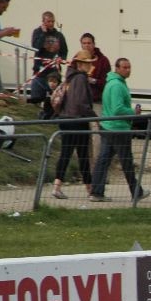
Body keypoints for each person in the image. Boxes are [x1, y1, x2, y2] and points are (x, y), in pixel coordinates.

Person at [89, 57, 148, 203]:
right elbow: (117, 109)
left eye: (129, 67)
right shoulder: (117, 85)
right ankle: (136, 192)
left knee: (103, 160)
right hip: (118, 128)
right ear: (117, 68)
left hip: (108, 126)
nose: (128, 70)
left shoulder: (112, 83)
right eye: (125, 67)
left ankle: (96, 191)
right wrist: (133, 112)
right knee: (126, 161)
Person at [51, 50, 97, 200]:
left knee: (66, 153)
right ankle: (90, 189)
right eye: (88, 63)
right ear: (80, 64)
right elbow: (81, 103)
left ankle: (57, 186)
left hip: (65, 119)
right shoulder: (81, 78)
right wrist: (95, 117)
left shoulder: (69, 77)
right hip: (78, 120)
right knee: (83, 155)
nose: (90, 66)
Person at [28, 11, 66, 103]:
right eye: (49, 21)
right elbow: (36, 47)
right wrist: (43, 33)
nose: (51, 24)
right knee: (36, 99)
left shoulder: (59, 35)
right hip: (40, 72)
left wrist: (61, 59)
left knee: (55, 101)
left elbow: (64, 51)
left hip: (54, 74)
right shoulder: (37, 32)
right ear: (43, 22)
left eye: (52, 21)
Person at [79, 33, 110, 107]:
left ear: (94, 44)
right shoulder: (77, 59)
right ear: (81, 45)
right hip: (79, 101)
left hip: (96, 101)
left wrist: (92, 80)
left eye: (89, 43)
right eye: (84, 43)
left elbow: (106, 83)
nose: (86, 45)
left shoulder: (103, 60)